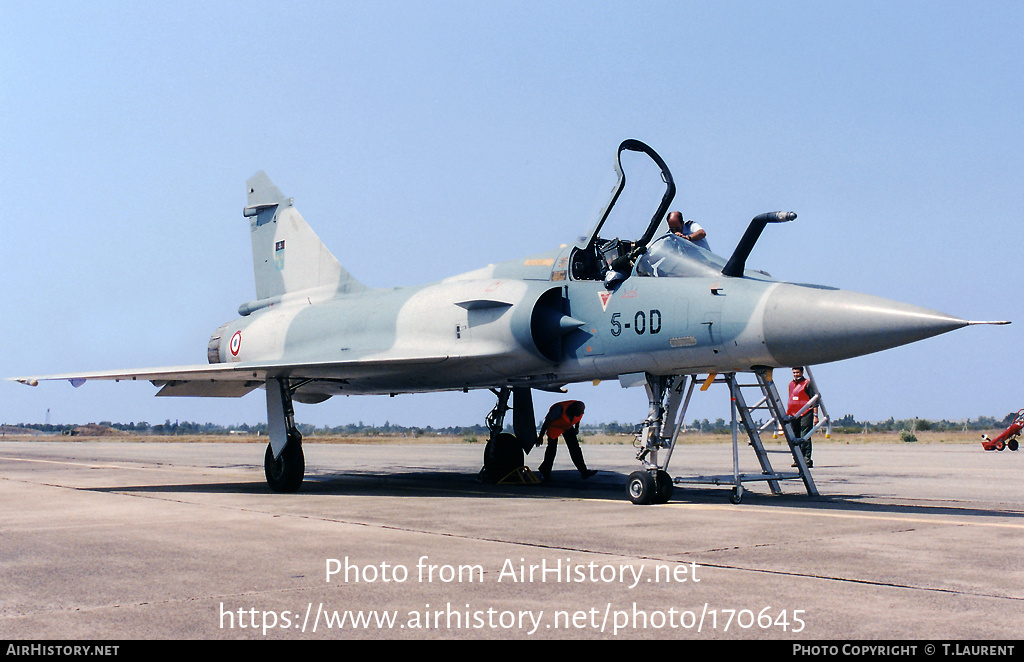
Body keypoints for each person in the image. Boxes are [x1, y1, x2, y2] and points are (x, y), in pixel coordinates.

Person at [536, 400, 597, 480]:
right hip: (555, 427)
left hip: (567, 426)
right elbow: (546, 422)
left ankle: (584, 472)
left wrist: (576, 428)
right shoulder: (558, 410)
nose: (578, 414)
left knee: (575, 449)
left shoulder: (579, 410)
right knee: (552, 450)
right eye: (576, 412)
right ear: (572, 409)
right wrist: (540, 437)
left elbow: (578, 418)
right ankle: (545, 470)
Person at [786, 366, 818, 467]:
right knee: (794, 436)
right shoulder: (791, 384)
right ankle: (797, 459)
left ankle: (806, 459)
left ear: (802, 372)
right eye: (794, 373)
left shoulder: (808, 384)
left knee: (805, 436)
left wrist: (815, 415)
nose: (796, 375)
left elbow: (814, 400)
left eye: (798, 372)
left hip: (806, 413)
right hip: (793, 414)